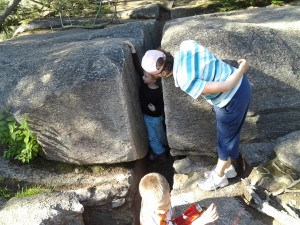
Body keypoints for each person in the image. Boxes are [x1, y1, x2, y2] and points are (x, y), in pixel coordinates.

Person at [141, 40, 251, 191]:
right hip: (237, 90)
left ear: (159, 74)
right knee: (227, 134)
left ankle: (219, 177)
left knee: (225, 138)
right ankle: (228, 167)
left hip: (232, 97)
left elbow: (226, 86)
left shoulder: (184, 80)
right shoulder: (187, 45)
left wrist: (242, 69)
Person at [123, 40, 168, 161]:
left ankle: (166, 146)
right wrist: (133, 50)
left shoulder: (159, 91)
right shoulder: (144, 84)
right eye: (144, 75)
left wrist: (156, 109)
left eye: (146, 76)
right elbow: (138, 68)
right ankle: (160, 152)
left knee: (160, 134)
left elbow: (162, 105)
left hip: (157, 117)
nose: (143, 77)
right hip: (148, 118)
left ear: (154, 80)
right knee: (152, 137)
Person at [139, 172, 219, 225]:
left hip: (170, 222)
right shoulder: (154, 222)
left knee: (200, 210)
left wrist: (173, 218)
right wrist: (202, 221)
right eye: (160, 208)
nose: (164, 210)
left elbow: (170, 214)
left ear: (169, 194)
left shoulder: (151, 198)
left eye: (167, 204)